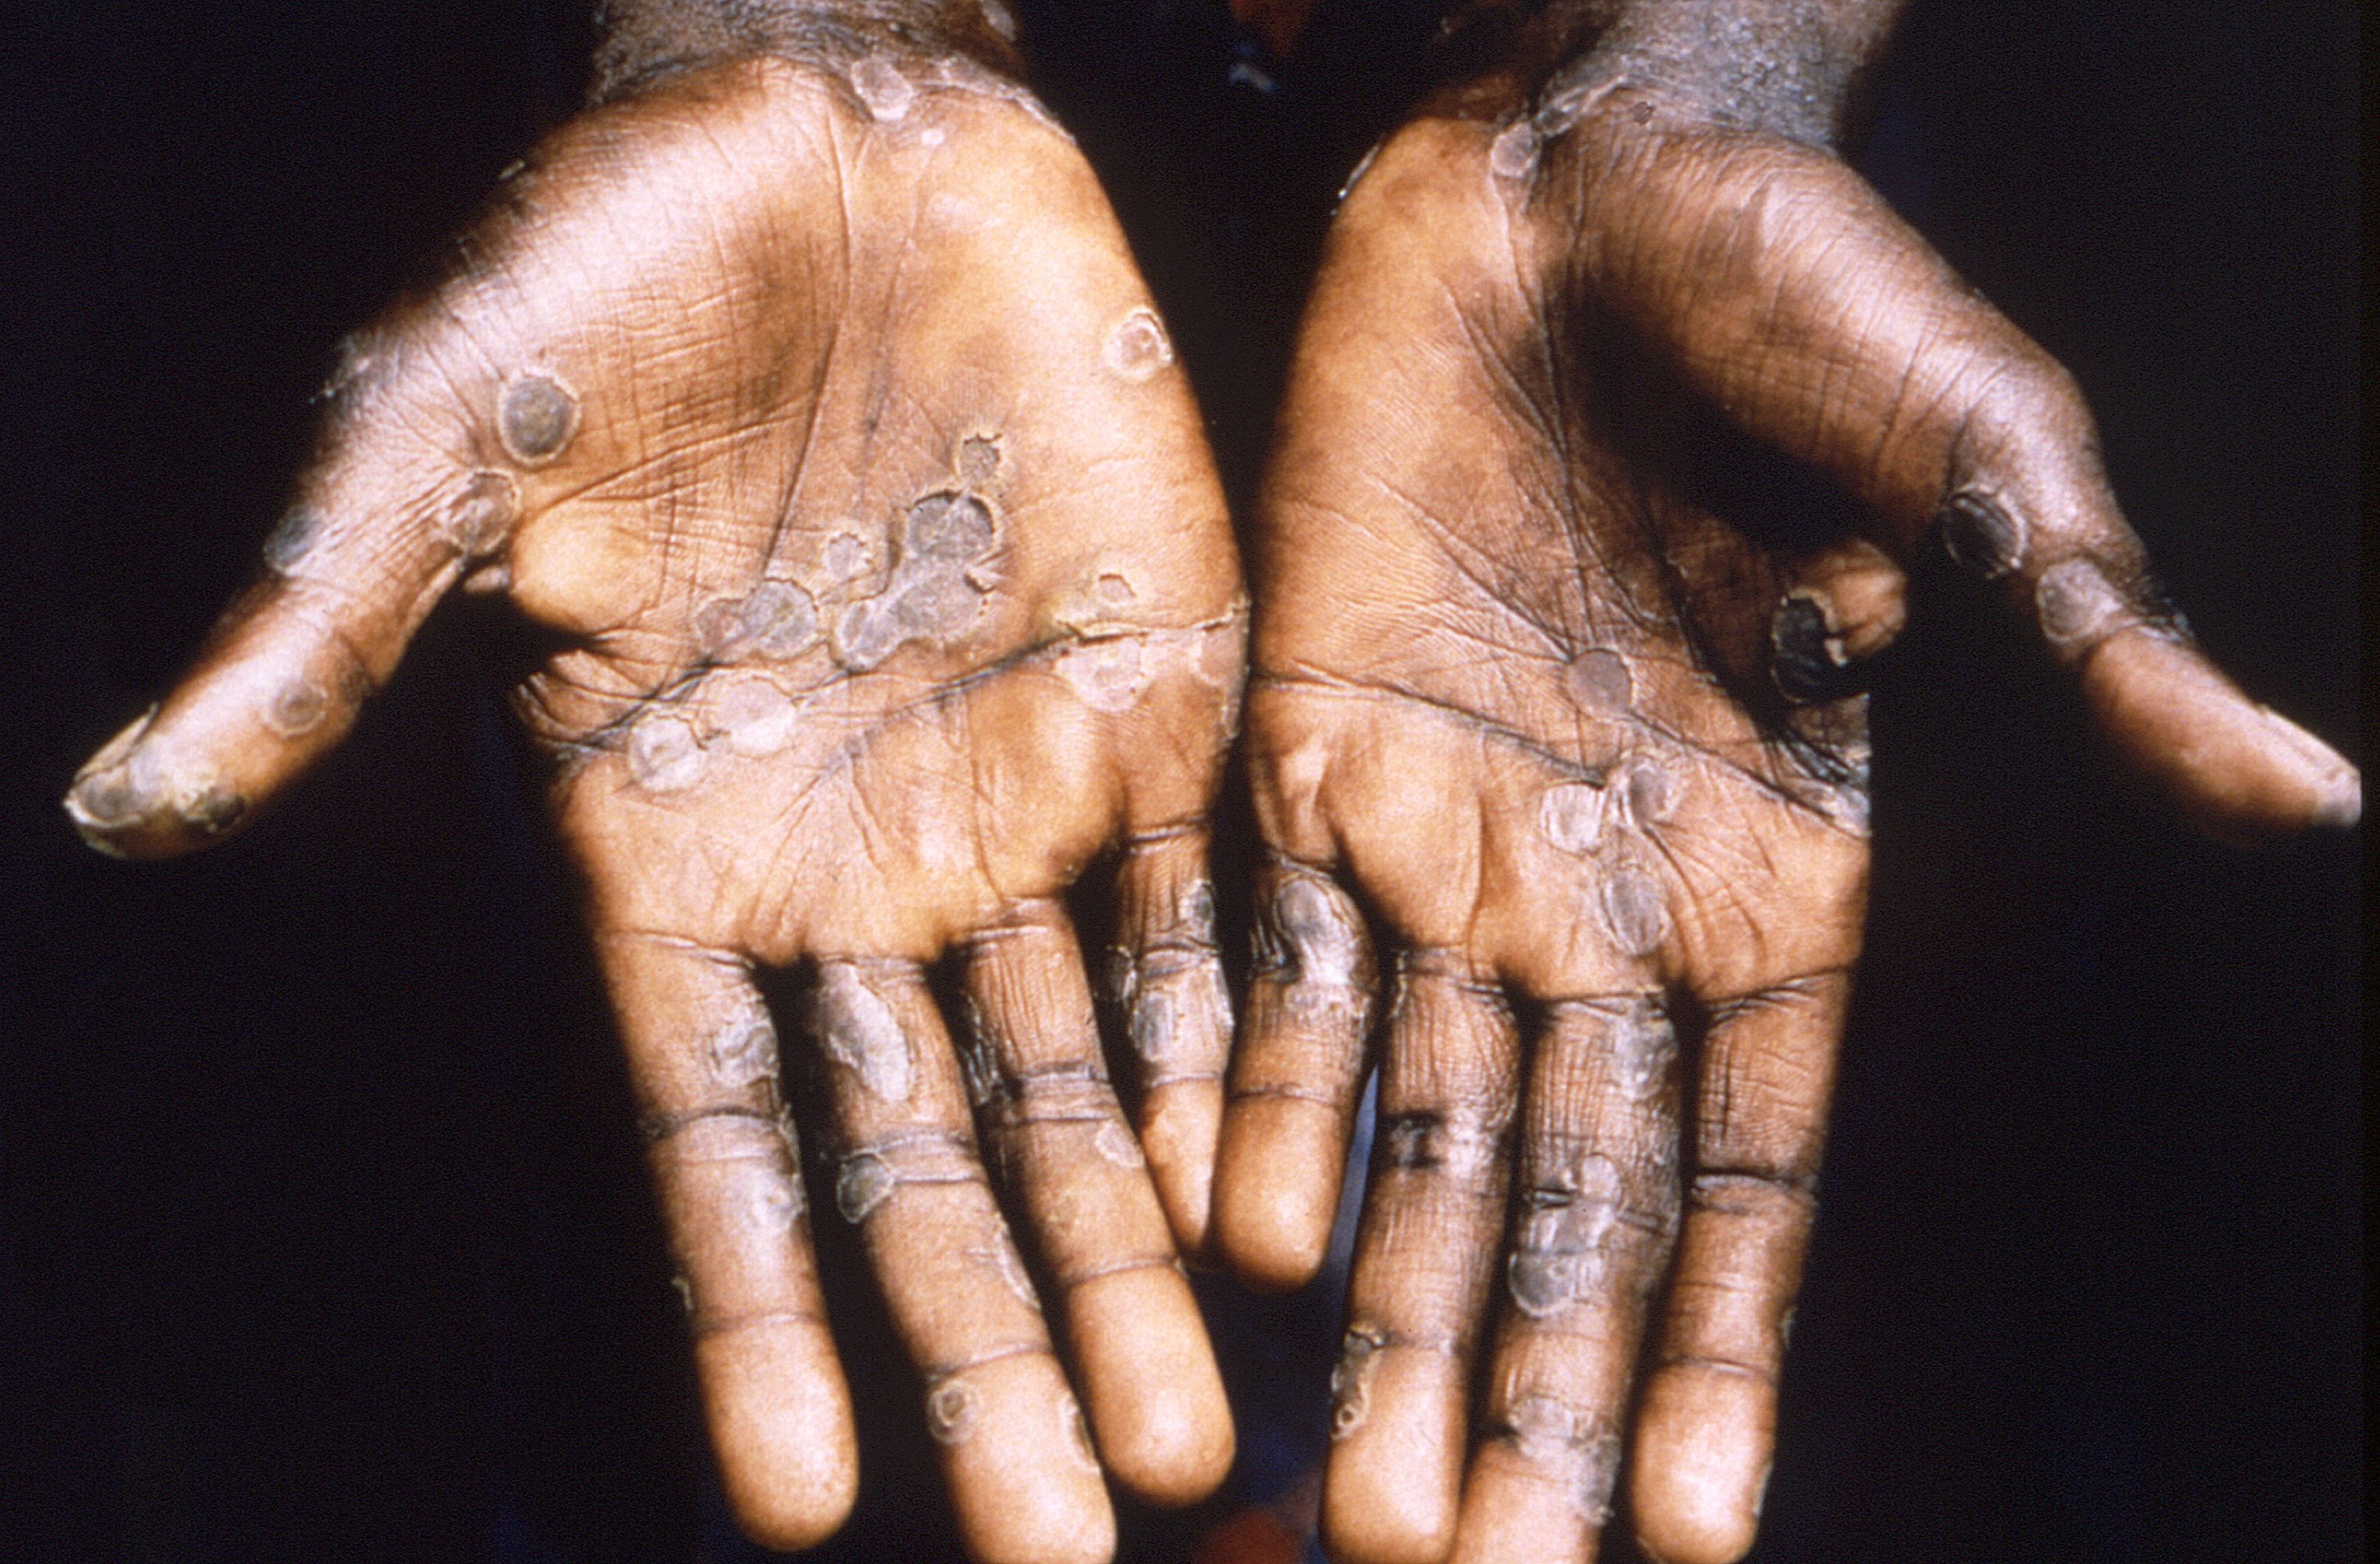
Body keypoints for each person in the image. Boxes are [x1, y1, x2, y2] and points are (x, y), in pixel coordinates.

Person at [52, 3, 2356, 1562]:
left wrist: (1672, 48)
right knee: (682, 1362)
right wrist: (791, 30)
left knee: (1787, 1362)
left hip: (1663, 482)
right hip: (773, 469)